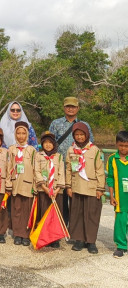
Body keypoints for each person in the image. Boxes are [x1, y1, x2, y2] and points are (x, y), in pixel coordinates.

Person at [49, 96, 94, 226]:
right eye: (68, 106)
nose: (70, 109)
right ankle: (61, 225)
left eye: (73, 106)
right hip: (59, 166)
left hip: (78, 168)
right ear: (64, 107)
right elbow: (49, 143)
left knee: (75, 197)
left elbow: (91, 144)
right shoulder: (55, 123)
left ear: (78, 108)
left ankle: (75, 228)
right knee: (61, 198)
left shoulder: (84, 125)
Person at [65, 122, 105, 254]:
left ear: (87, 134)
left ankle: (91, 241)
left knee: (91, 214)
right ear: (73, 136)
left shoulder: (94, 150)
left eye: (82, 134)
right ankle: (79, 239)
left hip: (91, 188)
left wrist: (100, 188)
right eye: (77, 134)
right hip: (76, 187)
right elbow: (69, 169)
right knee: (77, 214)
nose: (79, 137)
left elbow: (100, 170)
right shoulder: (71, 150)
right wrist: (68, 186)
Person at [5, 121, 36, 247]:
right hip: (15, 183)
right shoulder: (11, 149)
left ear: (27, 134)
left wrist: (35, 186)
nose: (21, 136)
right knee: (16, 209)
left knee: (27, 210)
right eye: (19, 133)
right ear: (15, 134)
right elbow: (8, 167)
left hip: (28, 184)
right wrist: (8, 183)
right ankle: (18, 234)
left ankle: (26, 234)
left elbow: (35, 168)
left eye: (24, 133)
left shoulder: (32, 150)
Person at [34, 131, 65, 248]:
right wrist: (44, 187)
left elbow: (61, 172)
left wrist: (57, 189)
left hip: (56, 191)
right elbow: (36, 171)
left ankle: (55, 238)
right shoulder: (39, 156)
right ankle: (45, 236)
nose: (47, 145)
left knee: (55, 214)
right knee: (44, 214)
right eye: (45, 143)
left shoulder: (59, 156)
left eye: (50, 142)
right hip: (44, 190)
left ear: (54, 144)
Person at [107, 131, 128, 258]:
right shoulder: (112, 159)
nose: (123, 148)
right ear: (116, 144)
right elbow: (110, 178)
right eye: (121, 145)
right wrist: (111, 195)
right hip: (120, 197)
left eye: (126, 146)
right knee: (120, 221)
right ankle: (121, 246)